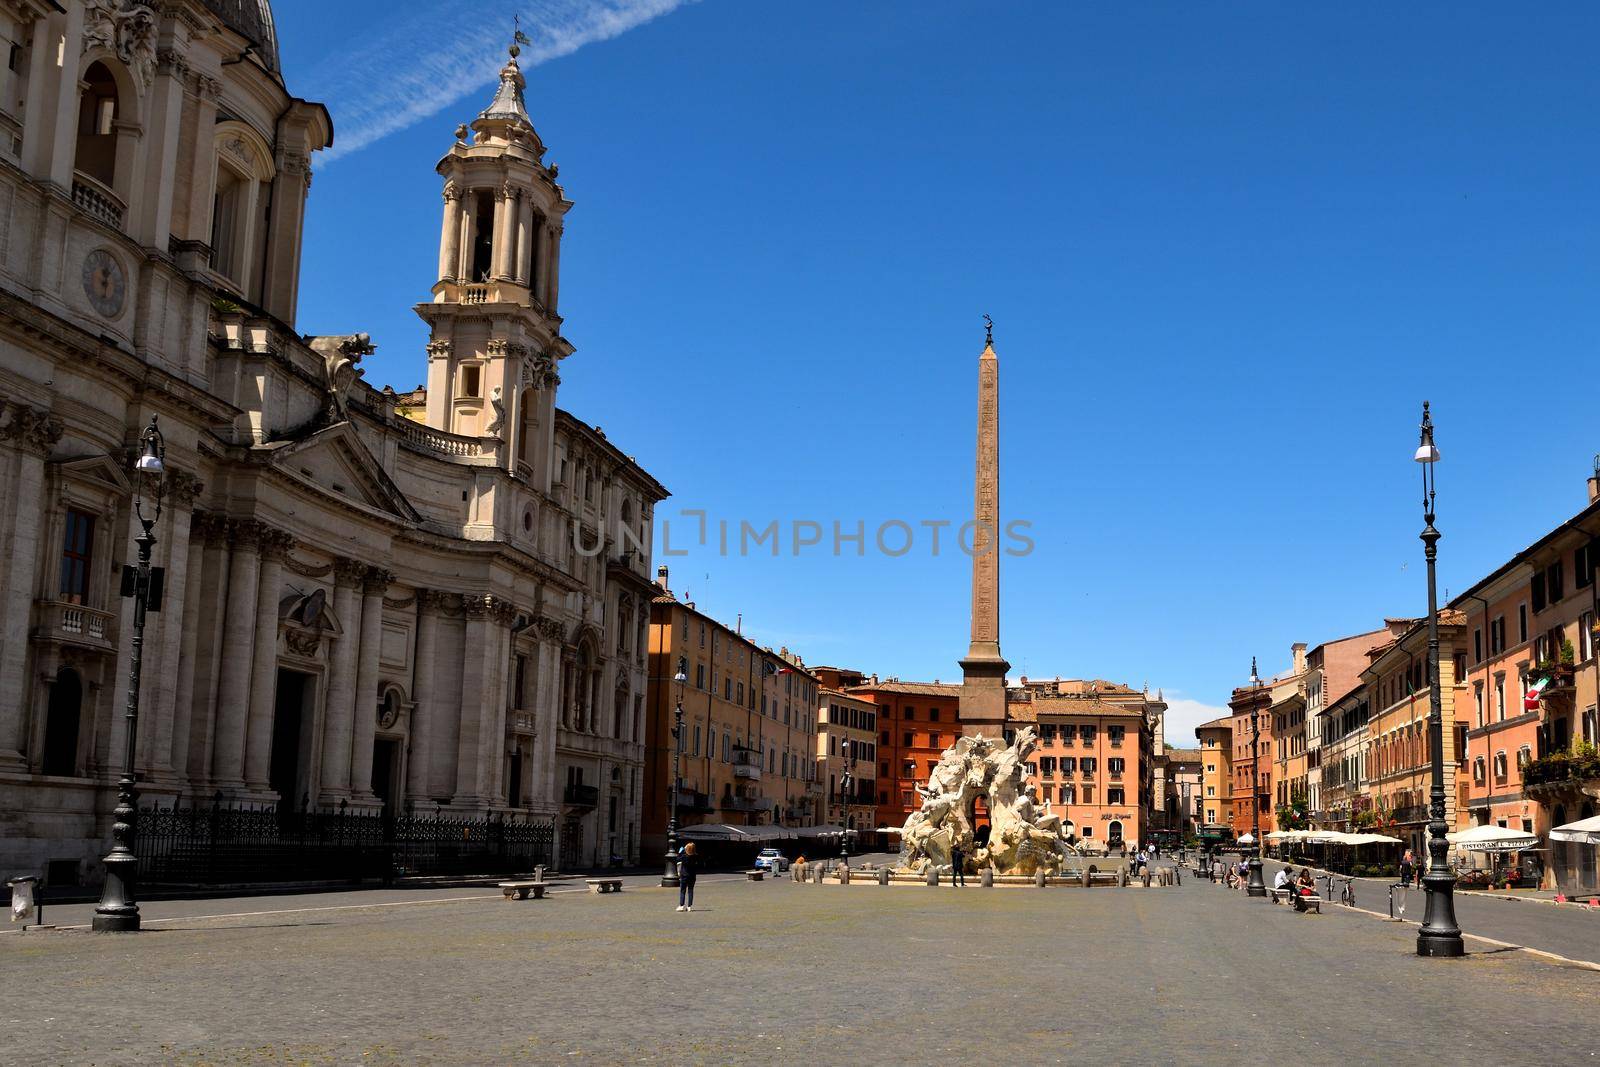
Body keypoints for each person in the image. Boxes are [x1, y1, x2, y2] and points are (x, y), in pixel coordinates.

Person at [675, 842, 698, 912]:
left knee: (683, 891)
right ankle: (689, 906)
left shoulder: (684, 856)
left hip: (684, 875)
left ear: (687, 849)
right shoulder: (696, 856)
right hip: (692, 876)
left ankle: (681, 906)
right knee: (690, 891)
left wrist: (681, 851)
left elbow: (677, 858)